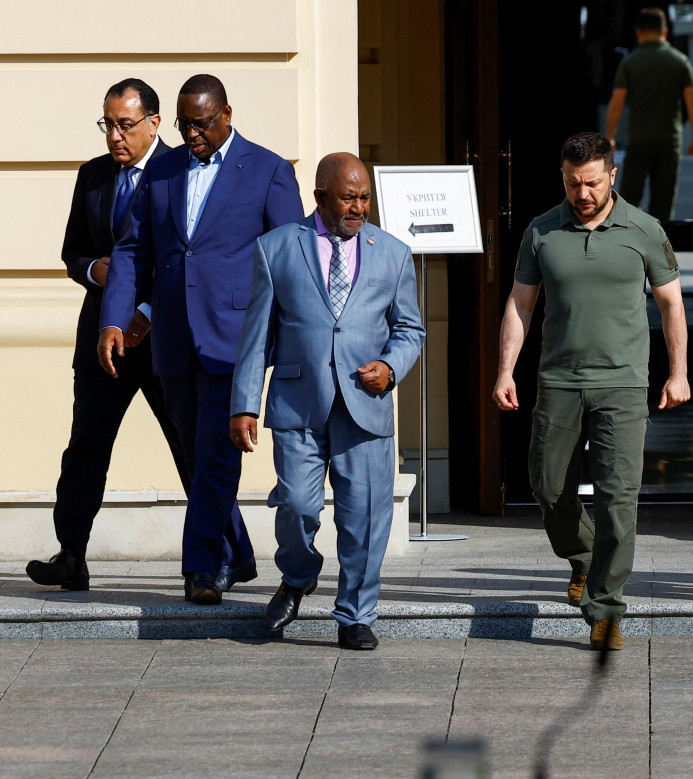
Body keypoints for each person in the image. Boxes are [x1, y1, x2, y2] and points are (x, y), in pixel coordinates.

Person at [98, 74, 304, 605]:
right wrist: (115, 320)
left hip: (235, 341)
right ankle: (236, 554)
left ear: (227, 115)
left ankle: (202, 568)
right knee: (196, 458)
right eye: (186, 124)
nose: (192, 134)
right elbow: (132, 251)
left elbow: (290, 261)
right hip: (172, 338)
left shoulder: (267, 170)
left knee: (215, 455)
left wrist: (288, 343)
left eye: (202, 123)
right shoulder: (163, 169)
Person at [492, 132, 690, 650]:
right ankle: (584, 558)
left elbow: (671, 305)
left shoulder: (644, 230)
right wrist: (505, 370)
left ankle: (604, 608)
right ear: (563, 178)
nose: (583, 194)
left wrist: (679, 372)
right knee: (546, 485)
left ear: (612, 177)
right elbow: (521, 304)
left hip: (623, 385)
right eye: (574, 183)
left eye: (593, 183)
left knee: (617, 497)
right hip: (559, 381)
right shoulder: (542, 231)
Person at [230, 153, 424, 651]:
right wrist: (244, 403)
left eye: (364, 197)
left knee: (364, 516)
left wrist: (392, 366)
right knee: (295, 504)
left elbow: (409, 330)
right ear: (320, 196)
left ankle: (355, 615)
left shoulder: (394, 253)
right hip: (299, 401)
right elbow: (256, 337)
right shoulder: (276, 248)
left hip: (365, 403)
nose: (358, 207)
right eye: (348, 197)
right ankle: (298, 575)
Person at [26, 79, 189, 591]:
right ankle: (71, 554)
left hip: (162, 336)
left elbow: (186, 254)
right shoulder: (94, 176)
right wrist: (96, 272)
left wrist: (142, 306)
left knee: (192, 447)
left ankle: (220, 556)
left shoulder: (181, 171)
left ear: (155, 124)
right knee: (86, 448)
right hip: (103, 340)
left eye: (126, 125)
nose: (115, 136)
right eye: (108, 125)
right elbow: (73, 251)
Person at [605, 7, 693, 222]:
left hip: (638, 139)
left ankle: (628, 247)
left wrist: (610, 136)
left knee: (629, 199)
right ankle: (660, 248)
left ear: (638, 33)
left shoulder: (630, 62)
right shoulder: (680, 61)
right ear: (665, 32)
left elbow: (616, 103)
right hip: (670, 141)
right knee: (664, 202)